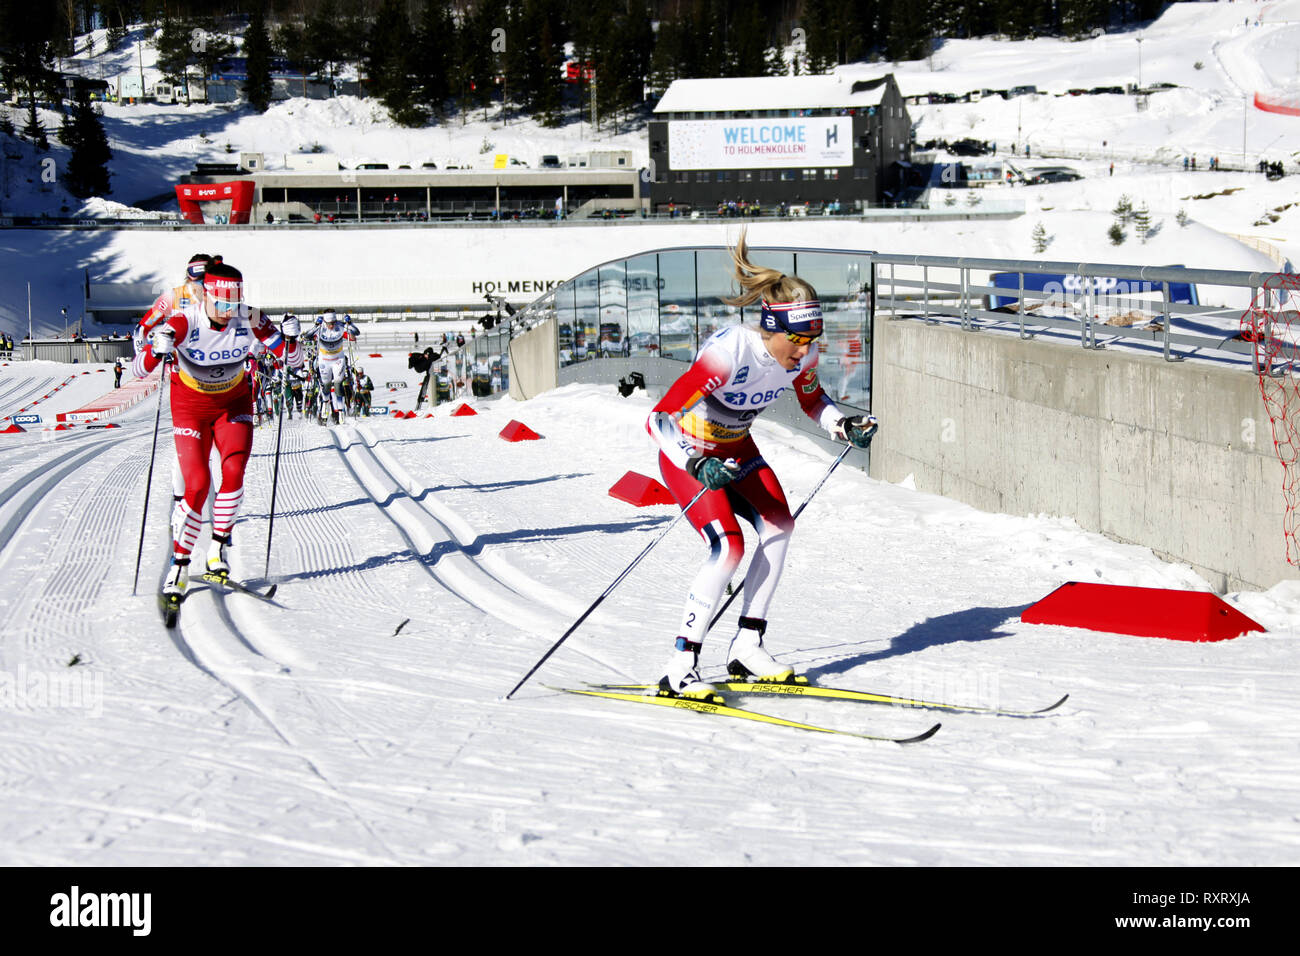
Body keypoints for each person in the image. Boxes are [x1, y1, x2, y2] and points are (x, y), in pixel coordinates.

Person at [645, 231, 878, 699]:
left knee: (779, 526)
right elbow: (658, 418)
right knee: (727, 546)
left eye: (812, 339)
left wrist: (842, 425)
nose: (804, 351)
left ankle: (748, 646)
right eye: (796, 339)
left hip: (737, 448)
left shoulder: (801, 351)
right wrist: (695, 464)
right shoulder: (727, 354)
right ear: (770, 327)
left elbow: (814, 401)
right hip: (690, 452)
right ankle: (680, 664)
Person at [133, 262, 302, 600]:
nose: (229, 312)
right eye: (222, 304)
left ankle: (217, 551)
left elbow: (292, 361)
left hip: (234, 404)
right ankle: (179, 566)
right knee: (196, 486)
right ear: (206, 296)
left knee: (234, 472)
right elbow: (139, 371)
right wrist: (156, 350)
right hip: (191, 408)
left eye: (234, 304)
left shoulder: (251, 317)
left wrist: (292, 338)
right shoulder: (184, 321)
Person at [303, 310, 360, 424]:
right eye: (329, 323)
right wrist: (316, 325)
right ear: (325, 321)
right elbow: (307, 336)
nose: (331, 325)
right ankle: (325, 404)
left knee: (338, 383)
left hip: (338, 359)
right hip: (324, 360)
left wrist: (350, 324)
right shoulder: (320, 328)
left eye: (333, 322)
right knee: (326, 384)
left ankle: (340, 411)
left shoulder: (340, 326)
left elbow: (355, 334)